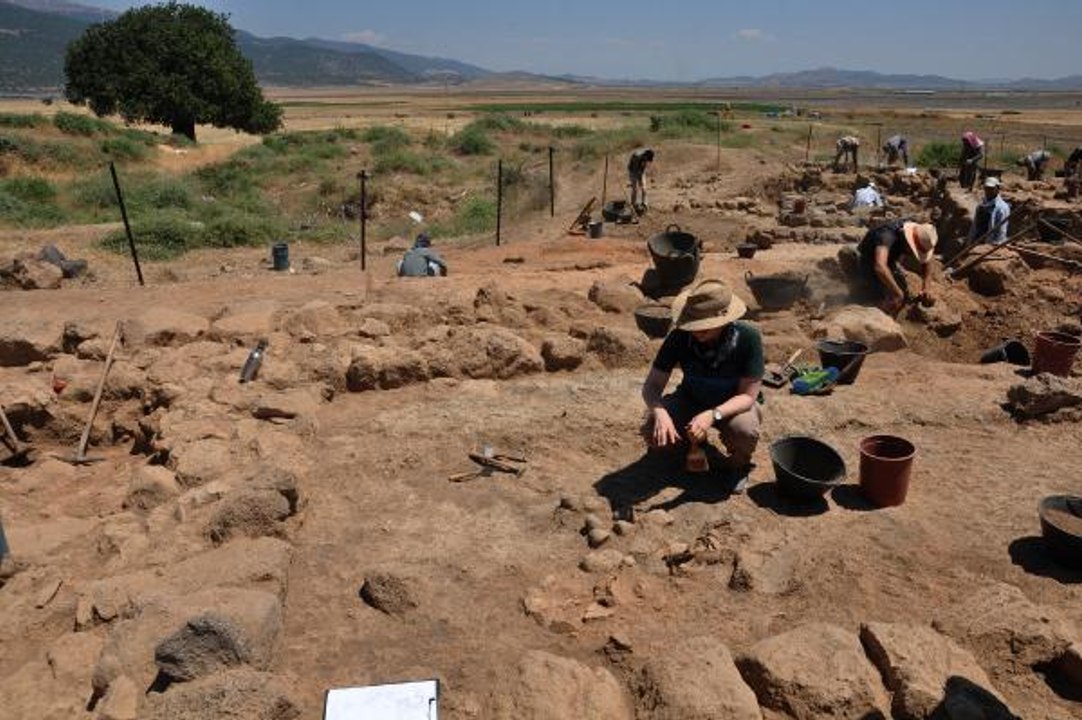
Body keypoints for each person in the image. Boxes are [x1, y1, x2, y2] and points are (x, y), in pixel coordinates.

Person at [641, 279, 763, 491]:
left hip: (732, 405)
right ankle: (693, 446)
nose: (697, 331)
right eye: (693, 324)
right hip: (692, 398)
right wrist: (660, 413)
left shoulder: (748, 338)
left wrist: (712, 415)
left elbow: (747, 396)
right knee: (653, 429)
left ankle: (737, 467)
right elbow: (652, 385)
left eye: (704, 327)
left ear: (724, 319)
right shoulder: (680, 337)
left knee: (744, 431)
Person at [848, 220, 938, 316]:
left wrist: (926, 288)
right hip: (868, 258)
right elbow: (880, 267)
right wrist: (897, 293)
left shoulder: (921, 235)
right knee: (877, 295)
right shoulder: (886, 235)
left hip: (890, 260)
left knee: (900, 294)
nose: (913, 254)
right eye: (913, 250)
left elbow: (927, 262)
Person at [969, 176, 1010, 245]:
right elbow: (975, 225)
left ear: (997, 189)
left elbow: (1002, 229)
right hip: (977, 241)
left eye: (991, 189)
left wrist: (997, 244)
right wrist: (970, 240)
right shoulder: (981, 205)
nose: (988, 191)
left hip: (990, 243)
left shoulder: (1002, 207)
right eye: (986, 188)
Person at [628, 148, 654, 213]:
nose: (647, 161)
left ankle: (644, 204)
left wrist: (642, 183)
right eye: (647, 159)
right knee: (635, 189)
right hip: (633, 172)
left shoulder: (645, 157)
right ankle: (633, 205)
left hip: (641, 172)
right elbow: (635, 169)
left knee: (644, 189)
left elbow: (643, 168)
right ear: (645, 156)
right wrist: (639, 179)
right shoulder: (637, 157)